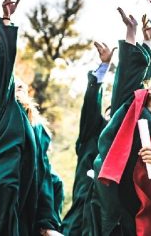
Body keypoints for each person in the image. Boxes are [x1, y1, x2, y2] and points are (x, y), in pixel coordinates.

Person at [92, 9, 151, 235]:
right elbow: (129, 73)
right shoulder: (130, 108)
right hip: (114, 197)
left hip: (150, 205)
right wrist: (132, 32)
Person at [0, 0, 61, 236]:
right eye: (12, 83)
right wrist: (6, 23)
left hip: (22, 207)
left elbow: (44, 176)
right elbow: (4, 65)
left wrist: (46, 223)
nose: (18, 85)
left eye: (22, 86)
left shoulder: (35, 129)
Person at [62, 42, 113, 235]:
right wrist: (104, 68)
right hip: (79, 219)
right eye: (110, 113)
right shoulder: (92, 134)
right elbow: (91, 104)